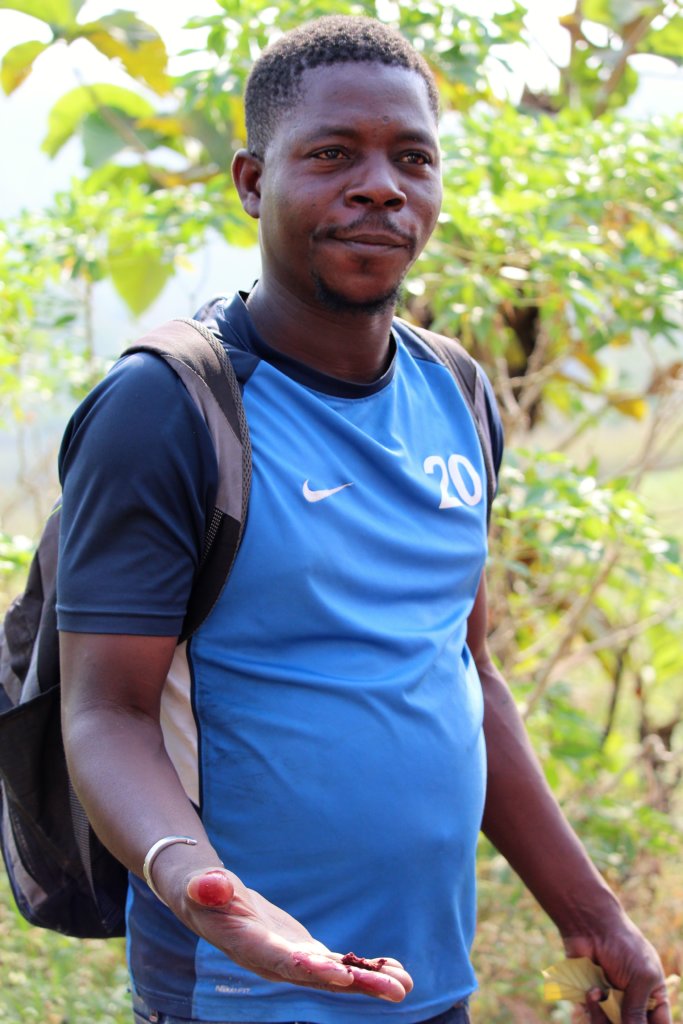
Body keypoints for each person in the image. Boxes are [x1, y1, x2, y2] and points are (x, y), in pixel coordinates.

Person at [56, 15, 671, 1024]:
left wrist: (590, 910)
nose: (381, 184)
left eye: (411, 158)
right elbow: (107, 711)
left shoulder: (457, 394)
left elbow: (462, 670)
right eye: (333, 154)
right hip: (239, 990)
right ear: (254, 181)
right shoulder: (173, 407)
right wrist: (206, 890)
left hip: (425, 980)